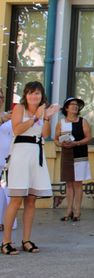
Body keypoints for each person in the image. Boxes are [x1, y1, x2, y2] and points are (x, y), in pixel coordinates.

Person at [1, 81, 59, 255]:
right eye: (31, 93)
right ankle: (6, 241)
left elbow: (45, 134)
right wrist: (35, 118)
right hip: (20, 153)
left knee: (31, 199)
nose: (34, 96)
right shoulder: (20, 108)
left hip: (36, 153)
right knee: (16, 199)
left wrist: (46, 117)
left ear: (42, 96)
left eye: (38, 93)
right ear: (26, 95)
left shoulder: (43, 111)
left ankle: (26, 239)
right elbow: (17, 129)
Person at [54, 97, 92, 222]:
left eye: (76, 105)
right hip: (67, 155)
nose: (75, 106)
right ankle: (68, 210)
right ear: (66, 108)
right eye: (72, 104)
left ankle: (77, 211)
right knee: (69, 183)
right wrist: (61, 144)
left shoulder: (82, 121)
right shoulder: (61, 122)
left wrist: (77, 143)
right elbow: (56, 139)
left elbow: (88, 137)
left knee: (78, 183)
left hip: (80, 154)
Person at [0, 89, 15, 233]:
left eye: (1, 97)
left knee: (5, 191)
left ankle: (5, 221)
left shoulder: (8, 117)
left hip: (4, 160)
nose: (0, 99)